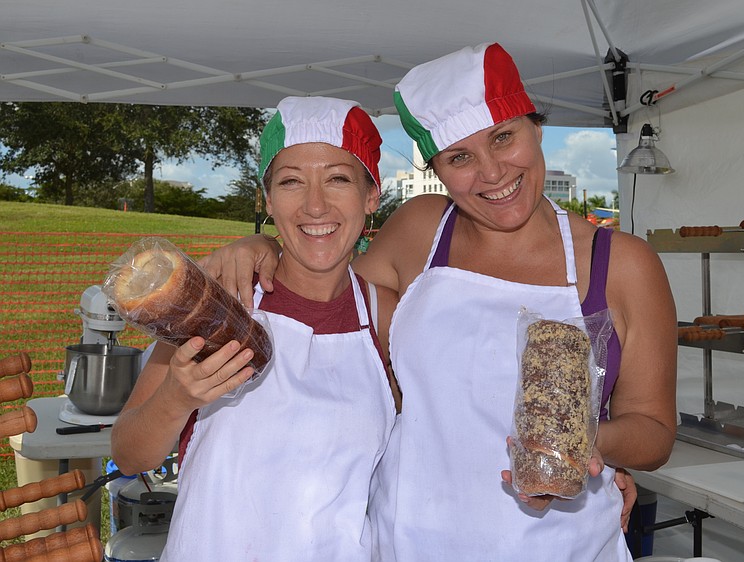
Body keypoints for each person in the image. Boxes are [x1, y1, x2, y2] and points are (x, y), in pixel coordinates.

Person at [204, 43, 677, 561]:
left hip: (560, 545)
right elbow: (328, 293)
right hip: (407, 539)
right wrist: (265, 245)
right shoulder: (422, 229)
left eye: (503, 138)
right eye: (459, 158)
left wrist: (590, 442)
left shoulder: (622, 264)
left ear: (536, 129)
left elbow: (653, 432)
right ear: (437, 169)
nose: (492, 172)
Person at [111, 96, 400, 561]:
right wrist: (177, 399)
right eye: (291, 182)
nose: (315, 204)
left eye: (338, 179)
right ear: (267, 199)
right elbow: (129, 455)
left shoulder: (385, 317)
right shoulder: (215, 300)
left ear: (371, 196)